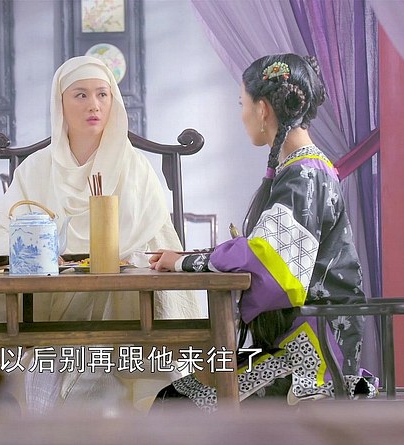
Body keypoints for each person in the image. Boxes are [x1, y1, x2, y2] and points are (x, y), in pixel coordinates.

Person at [149, 53, 375, 412]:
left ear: (263, 109)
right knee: (177, 395)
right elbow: (264, 251)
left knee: (173, 404)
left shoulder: (305, 175)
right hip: (304, 337)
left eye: (242, 103)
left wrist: (185, 262)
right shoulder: (304, 170)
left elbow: (267, 259)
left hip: (311, 351)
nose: (242, 114)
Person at [0, 56, 201, 414]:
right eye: (80, 95)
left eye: (102, 94)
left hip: (125, 304)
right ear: (60, 103)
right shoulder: (37, 168)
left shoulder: (136, 169)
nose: (94, 105)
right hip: (54, 305)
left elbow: (159, 246)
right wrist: (38, 255)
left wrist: (121, 257)